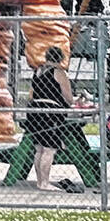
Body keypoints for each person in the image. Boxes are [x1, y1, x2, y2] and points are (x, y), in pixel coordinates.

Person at [24, 46, 74, 192]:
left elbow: (32, 94)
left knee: (39, 149)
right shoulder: (59, 72)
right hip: (50, 112)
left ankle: (41, 181)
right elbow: (69, 98)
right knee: (49, 149)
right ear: (60, 59)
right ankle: (44, 182)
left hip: (34, 111)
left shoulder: (38, 71)